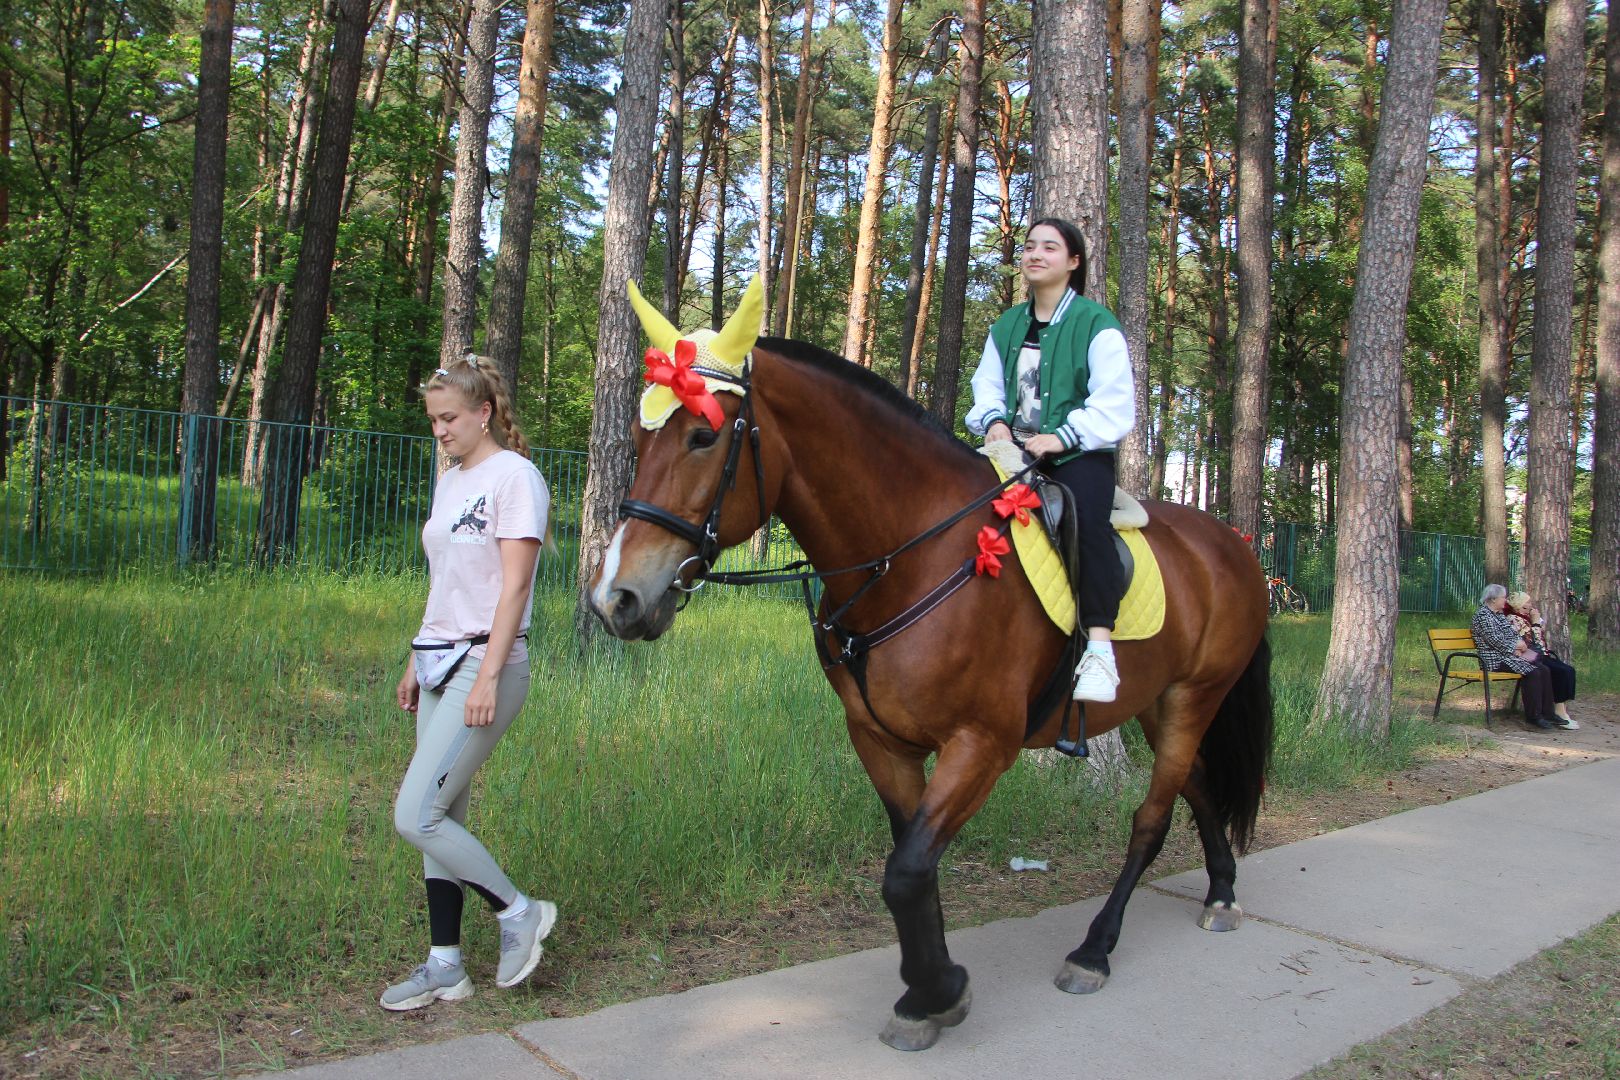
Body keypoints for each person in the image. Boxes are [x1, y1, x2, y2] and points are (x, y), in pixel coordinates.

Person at [383, 354, 556, 1011]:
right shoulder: (452, 480)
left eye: (449, 418)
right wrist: (412, 658)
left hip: (488, 666)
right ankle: (446, 964)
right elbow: (447, 582)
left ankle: (518, 912)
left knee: (413, 813)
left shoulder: (517, 478)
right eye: (433, 420)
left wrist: (486, 677)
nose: (439, 431)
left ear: (484, 413)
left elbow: (514, 588)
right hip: (436, 660)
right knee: (440, 815)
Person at [964, 218, 1135, 703]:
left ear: (1073, 262)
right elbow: (987, 386)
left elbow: (1115, 402)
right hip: (1011, 450)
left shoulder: (1096, 325)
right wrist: (995, 422)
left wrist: (1060, 438)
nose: (1035, 254)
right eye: (1029, 246)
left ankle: (1100, 649)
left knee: (1085, 522)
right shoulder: (1007, 325)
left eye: (1050, 248)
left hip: (1078, 452)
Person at [1471, 584, 1558, 732]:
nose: (1505, 601)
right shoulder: (1483, 616)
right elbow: (1494, 640)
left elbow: (1512, 634)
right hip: (1494, 659)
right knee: (1532, 672)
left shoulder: (1497, 614)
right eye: (1503, 598)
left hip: (1508, 655)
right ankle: (1533, 717)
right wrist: (1515, 649)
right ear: (1493, 599)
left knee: (1543, 668)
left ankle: (1548, 713)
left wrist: (1520, 646)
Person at [1505, 591, 1578, 730]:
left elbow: (1540, 643)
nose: (1531, 605)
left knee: (1568, 670)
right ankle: (1558, 712)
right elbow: (1532, 643)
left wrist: (1536, 623)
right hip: (1528, 655)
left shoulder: (1526, 617)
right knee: (1559, 671)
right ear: (1520, 605)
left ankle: (1559, 708)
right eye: (1528, 602)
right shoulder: (1513, 619)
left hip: (1539, 654)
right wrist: (1536, 624)